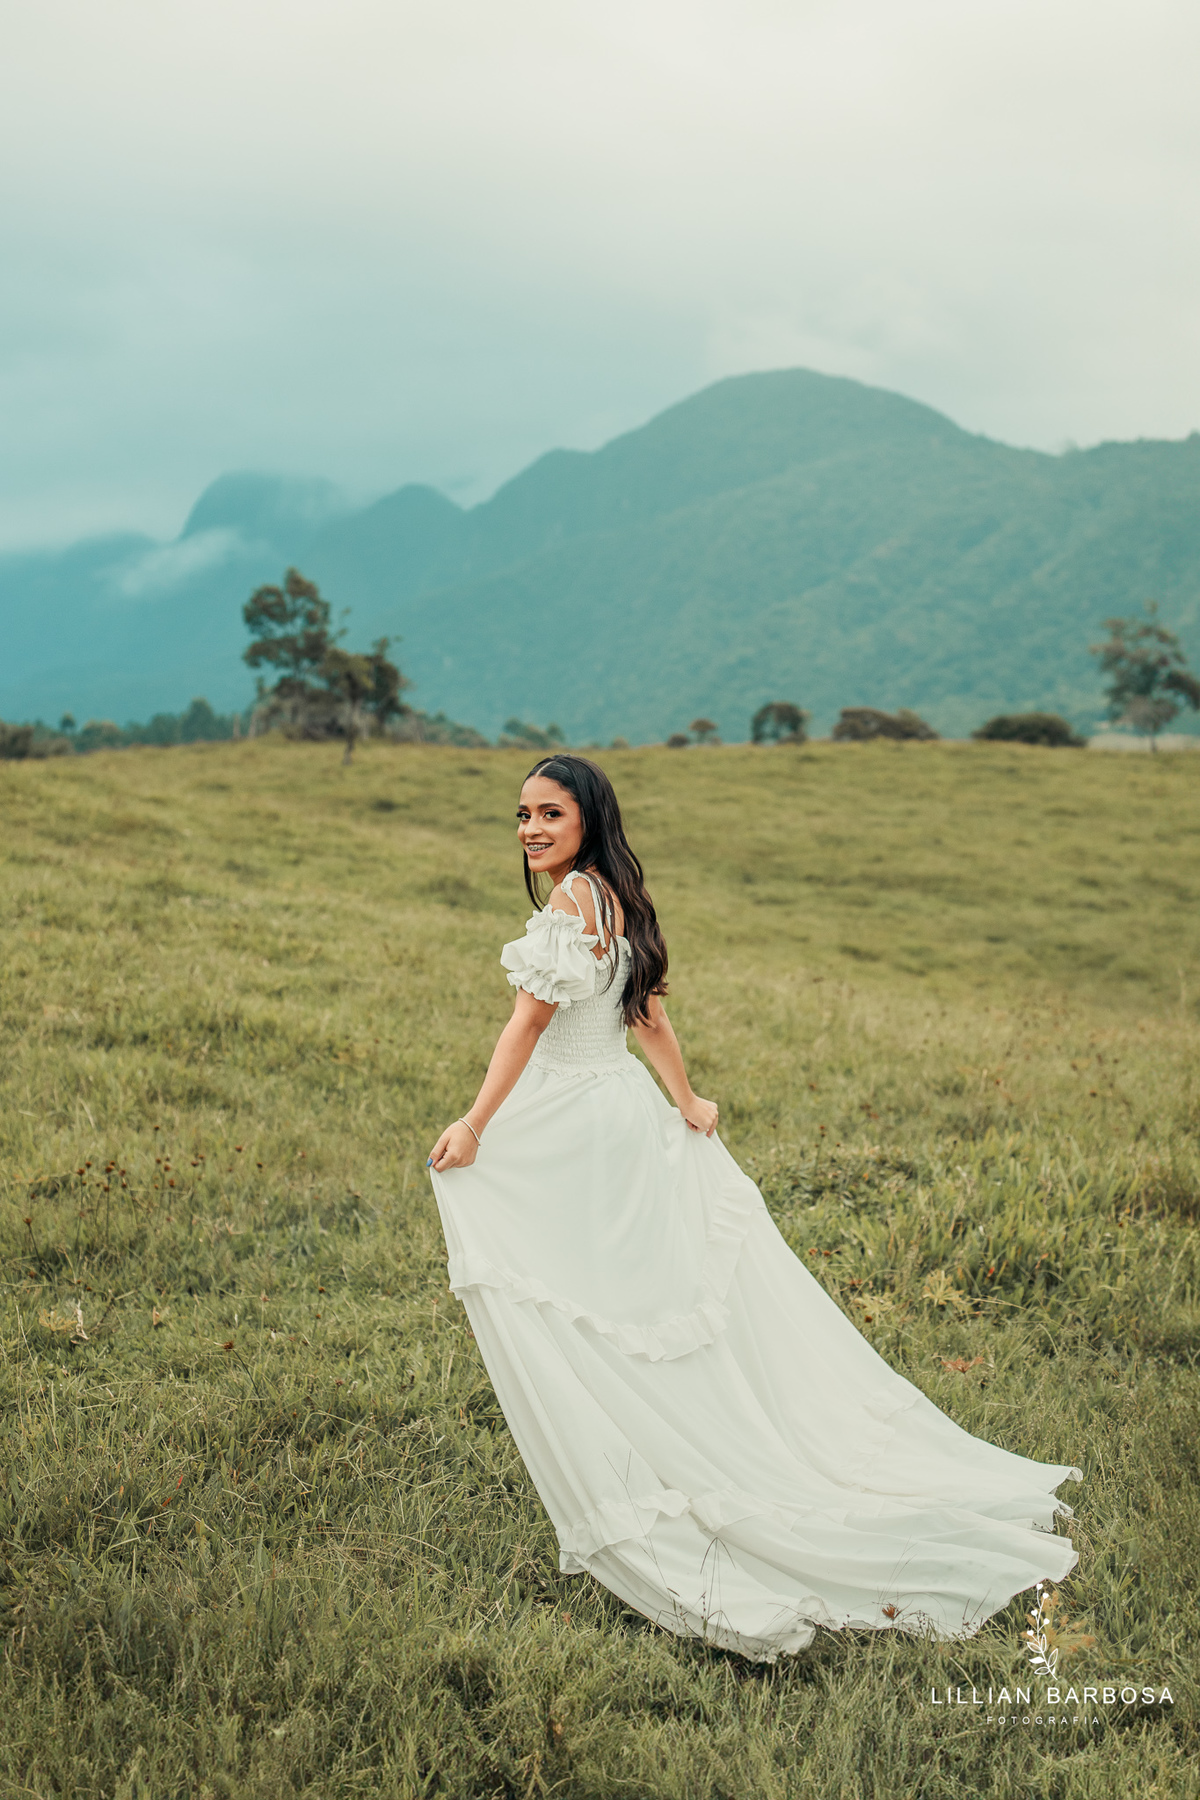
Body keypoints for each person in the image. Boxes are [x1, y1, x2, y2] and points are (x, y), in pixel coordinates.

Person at [427, 753, 1081, 1661]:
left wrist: (472, 1123)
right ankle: (662, 1444)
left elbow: (527, 1027)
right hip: (617, 1107)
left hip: (575, 1117)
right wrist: (684, 1101)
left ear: (588, 820)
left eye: (550, 814)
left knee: (573, 1296)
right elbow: (645, 1017)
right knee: (625, 1306)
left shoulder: (572, 904)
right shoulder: (612, 896)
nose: (532, 829)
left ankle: (658, 1468)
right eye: (523, 815)